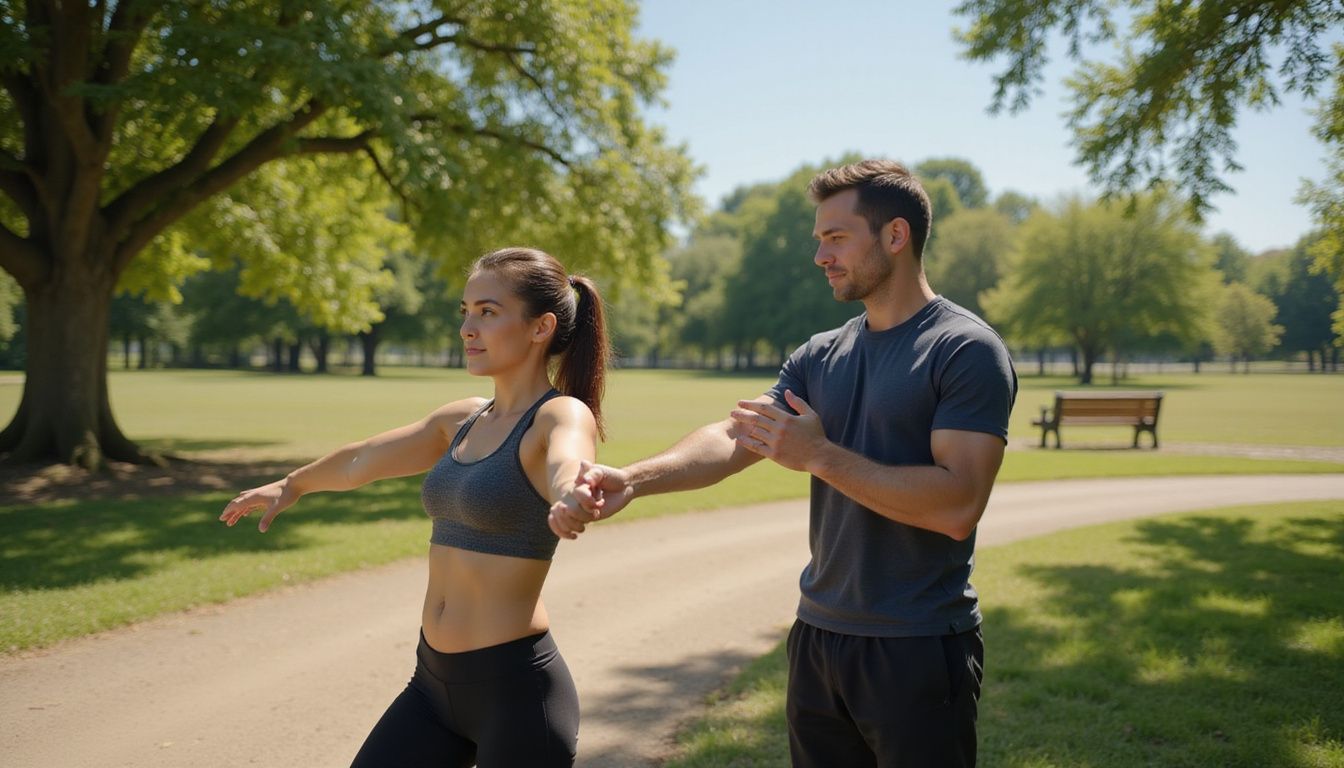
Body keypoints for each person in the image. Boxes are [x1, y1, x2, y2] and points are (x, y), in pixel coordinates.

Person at [550, 159, 1017, 767]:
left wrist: (821, 456)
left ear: (895, 236)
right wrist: (634, 480)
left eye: (836, 237)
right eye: (818, 239)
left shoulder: (964, 349)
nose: (820, 255)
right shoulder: (821, 354)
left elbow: (957, 506)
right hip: (818, 638)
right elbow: (734, 436)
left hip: (918, 644)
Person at [220, 247, 610, 767]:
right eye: (465, 311)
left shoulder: (558, 414)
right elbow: (364, 458)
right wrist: (293, 484)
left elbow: (568, 460)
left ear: (540, 328)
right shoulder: (464, 419)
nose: (468, 327)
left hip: (516, 693)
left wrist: (571, 494)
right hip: (431, 686)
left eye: (488, 312)